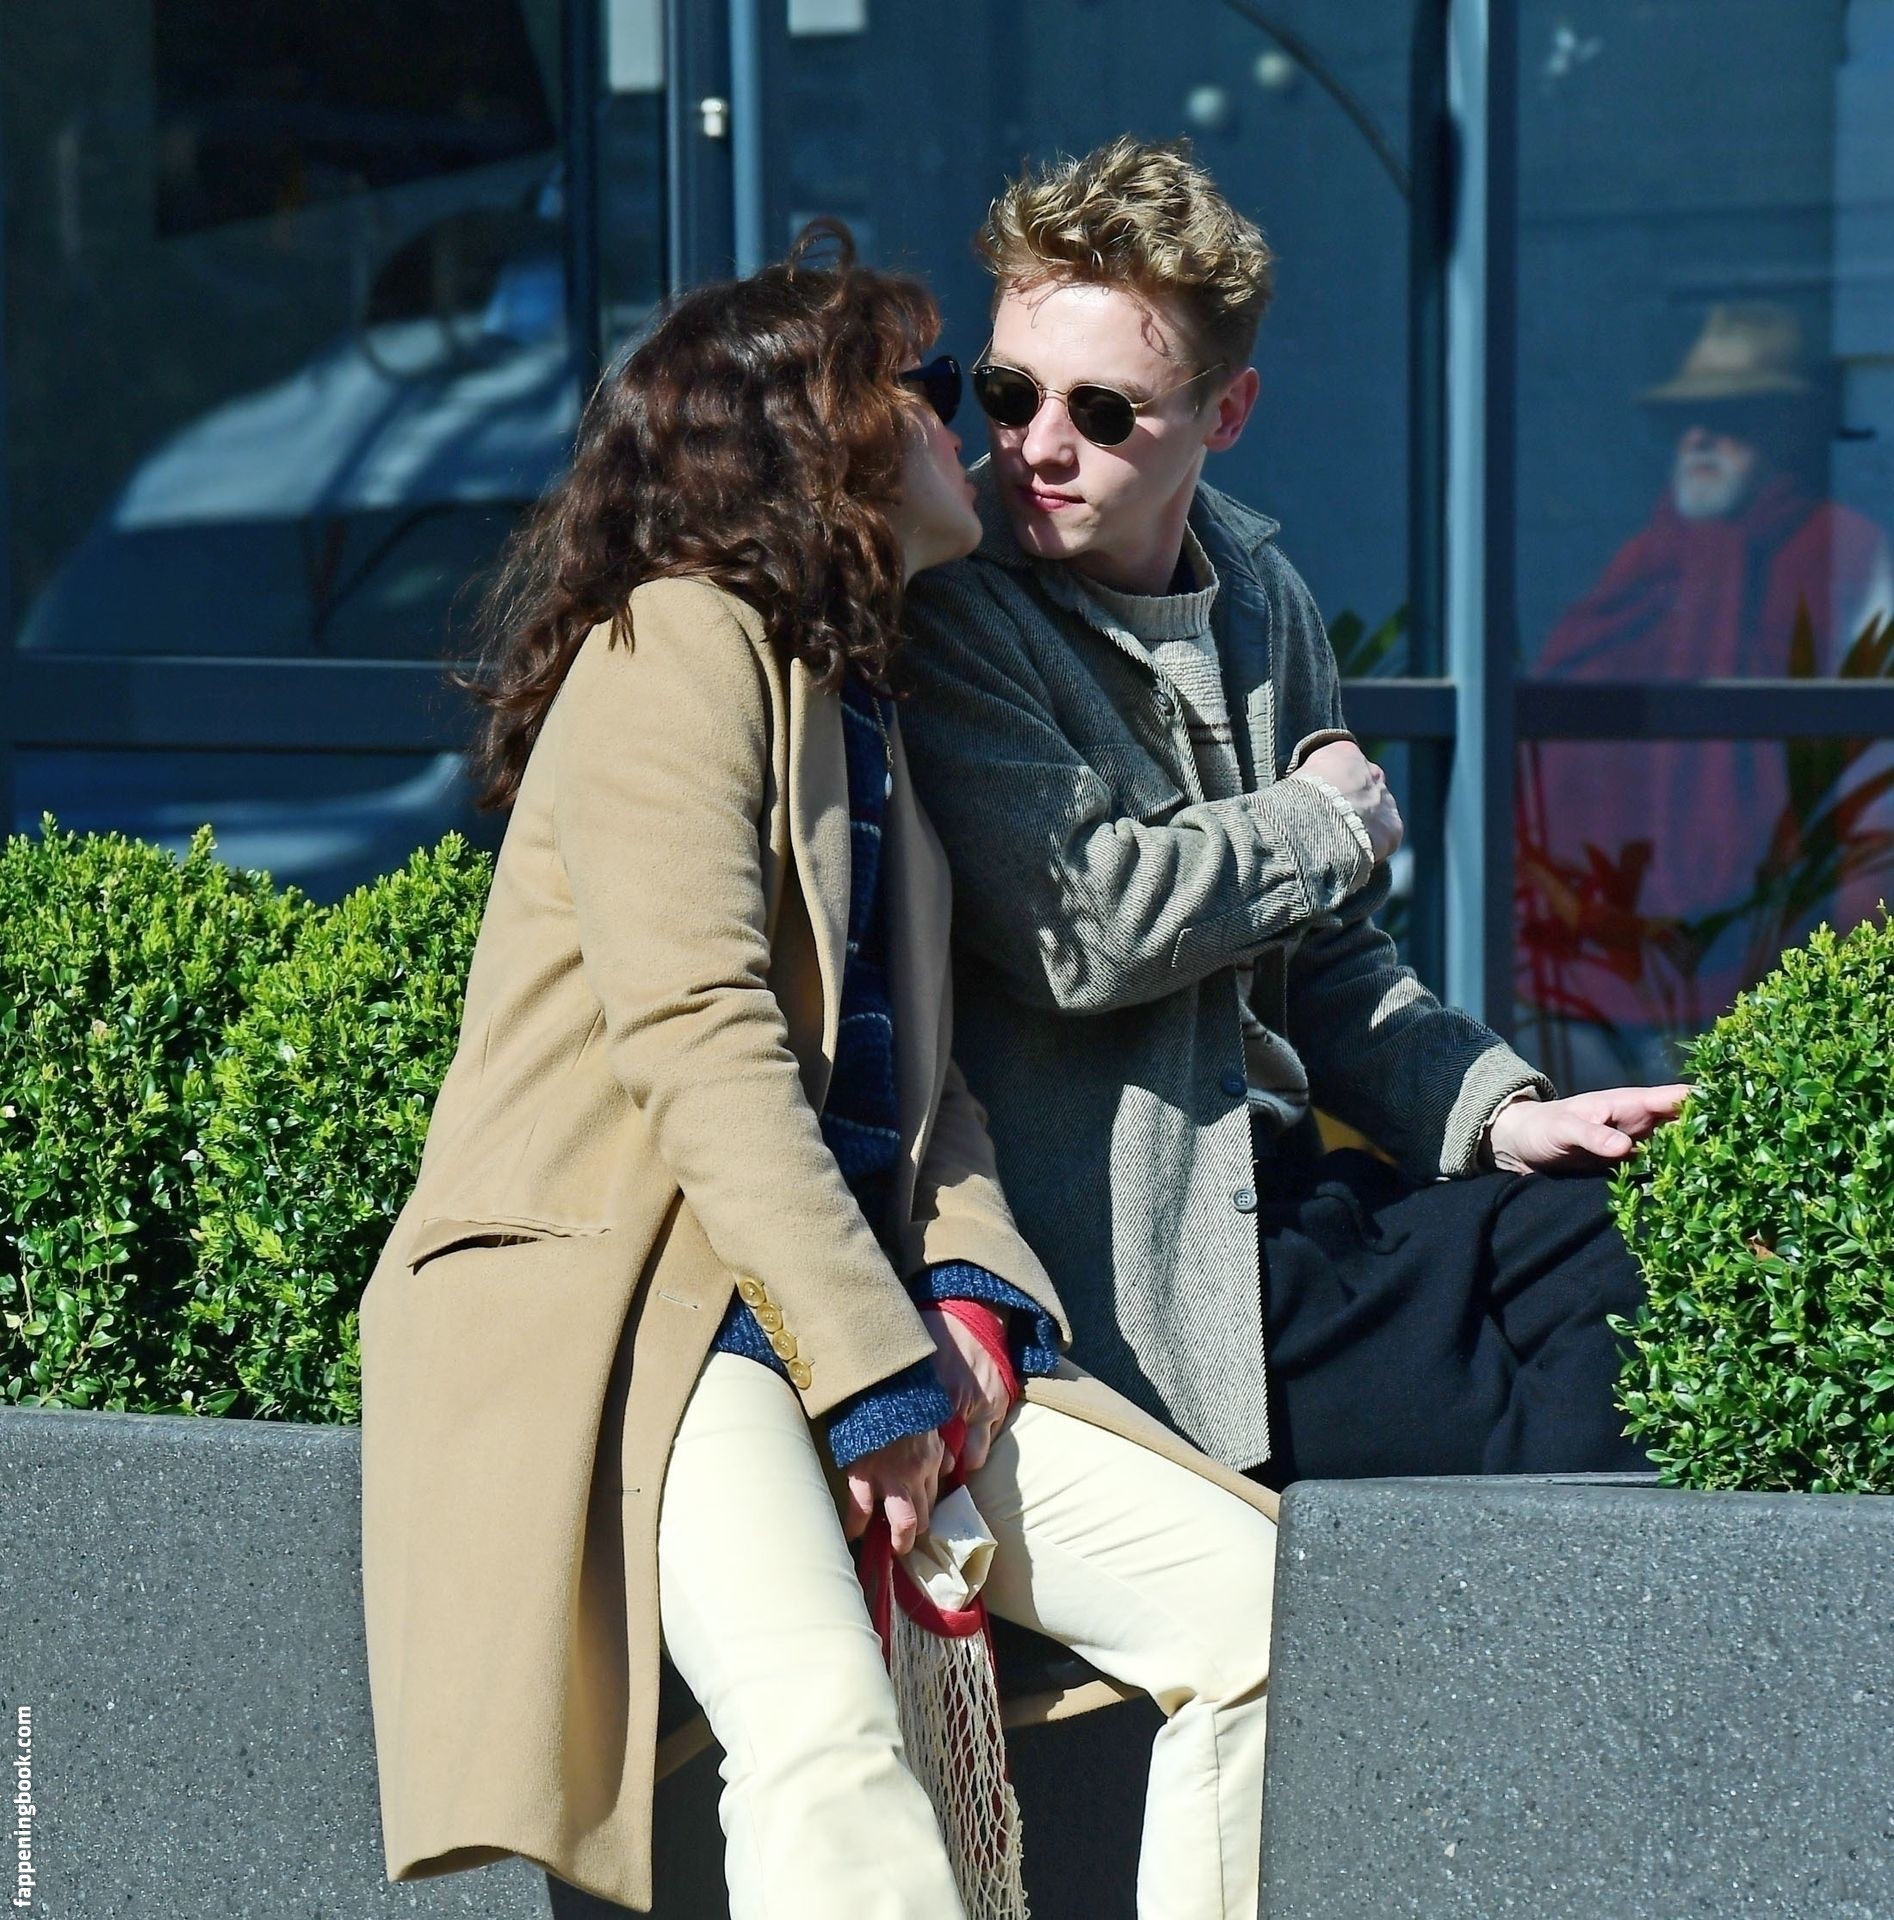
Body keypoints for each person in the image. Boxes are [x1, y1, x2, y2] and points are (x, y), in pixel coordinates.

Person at [355, 218, 1280, 1920]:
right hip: (650, 1306)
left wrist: (973, 1291)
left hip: (852, 1306)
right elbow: (700, 1042)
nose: (970, 424)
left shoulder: (860, 693)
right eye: (927, 387)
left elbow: (928, 1094)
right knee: (821, 1734)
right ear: (817, 436)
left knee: (1247, 1610)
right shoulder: (675, 641)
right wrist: (873, 1382)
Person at [894, 136, 1689, 1494]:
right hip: (1150, 1273)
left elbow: (1326, 964)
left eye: (1102, 411)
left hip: (1298, 1197)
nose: (1034, 445)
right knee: (1527, 1428)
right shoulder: (953, 606)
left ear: (1227, 411)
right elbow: (1081, 928)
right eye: (1008, 391)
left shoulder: (1260, 598)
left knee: (1643, 1252)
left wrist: (1498, 1114)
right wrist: (1317, 824)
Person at [1517, 300, 1894, 1087]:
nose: (1699, 439)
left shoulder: (1842, 554)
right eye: (1687, 422)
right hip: (1595, 956)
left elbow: (1874, 779)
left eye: (1732, 420)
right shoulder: (1642, 560)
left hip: (1768, 951)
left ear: (1785, 431)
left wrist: (1856, 968)